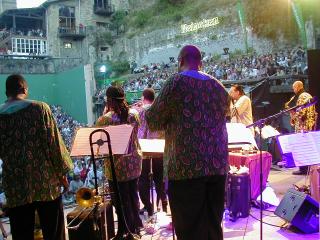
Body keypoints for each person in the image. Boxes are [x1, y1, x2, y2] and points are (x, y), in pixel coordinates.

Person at [146, 45, 229, 240]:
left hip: (186, 169)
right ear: (200, 62)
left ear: (181, 61)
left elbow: (154, 121)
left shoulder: (176, 82)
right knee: (213, 226)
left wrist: (146, 109)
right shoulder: (219, 86)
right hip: (217, 168)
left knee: (190, 230)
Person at [0, 74, 73, 240]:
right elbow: (54, 144)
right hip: (45, 182)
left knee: (21, 232)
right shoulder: (40, 109)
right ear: (24, 89)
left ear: (6, 92)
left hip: (15, 184)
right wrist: (62, 174)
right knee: (53, 230)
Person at [96, 86, 143, 235]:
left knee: (120, 201)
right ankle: (135, 227)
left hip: (117, 167)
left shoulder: (105, 119)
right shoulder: (134, 114)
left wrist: (105, 112)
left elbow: (99, 142)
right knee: (133, 195)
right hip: (134, 162)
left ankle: (124, 230)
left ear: (109, 100)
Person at [137, 88, 168, 217]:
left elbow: (141, 131)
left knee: (143, 180)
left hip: (147, 150)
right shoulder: (160, 109)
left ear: (144, 98)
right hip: (160, 149)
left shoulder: (143, 110)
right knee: (159, 179)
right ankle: (164, 205)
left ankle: (148, 208)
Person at [287, 80, 317, 175]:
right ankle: (307, 168)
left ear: (298, 87)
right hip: (309, 126)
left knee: (302, 148)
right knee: (307, 148)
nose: (293, 90)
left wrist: (292, 115)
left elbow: (301, 112)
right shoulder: (307, 95)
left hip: (303, 127)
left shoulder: (302, 96)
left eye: (294, 88)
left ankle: (303, 169)